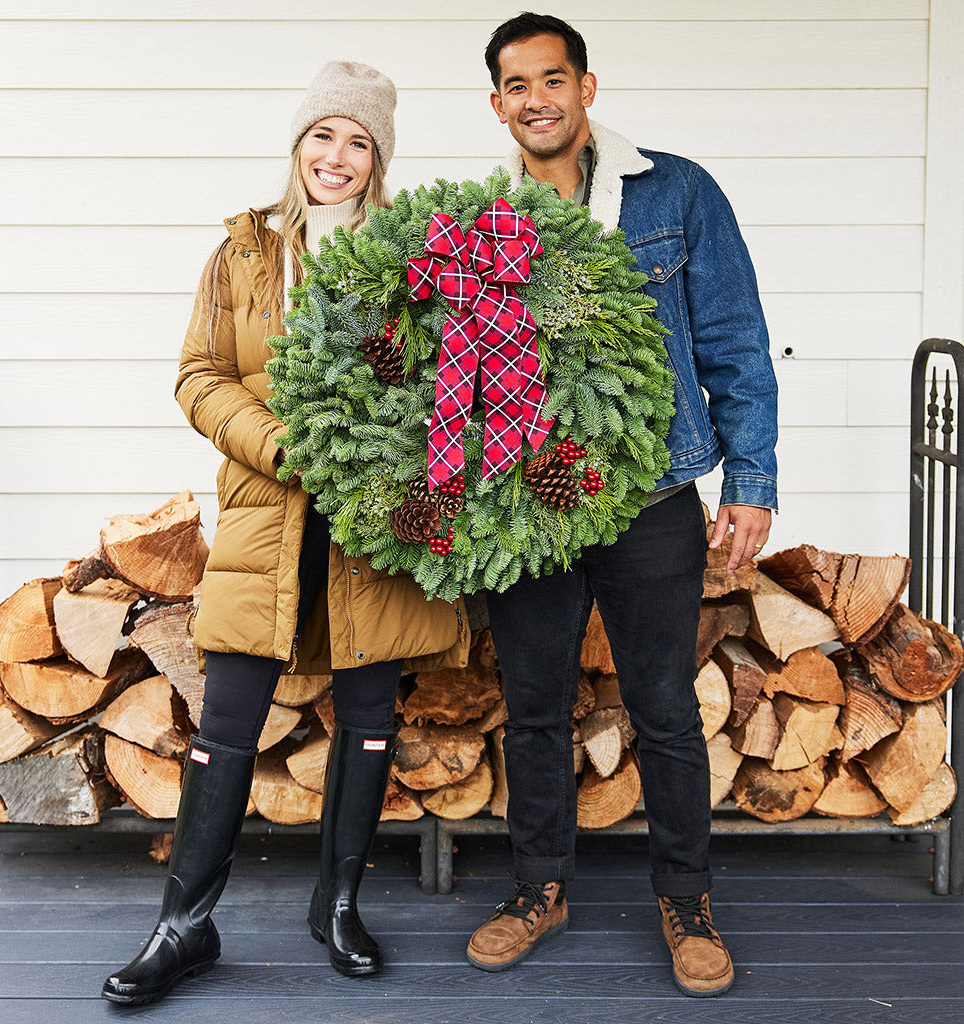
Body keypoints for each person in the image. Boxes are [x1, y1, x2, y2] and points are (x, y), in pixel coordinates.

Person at [101, 61, 469, 1006]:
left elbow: (447, 385)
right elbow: (197, 375)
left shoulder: (411, 260)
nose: (336, 158)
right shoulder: (244, 256)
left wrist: (392, 443)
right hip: (271, 515)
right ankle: (183, 925)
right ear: (297, 145)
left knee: (372, 712)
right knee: (228, 718)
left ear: (377, 159)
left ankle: (337, 903)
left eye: (358, 142)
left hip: (375, 528)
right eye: (323, 136)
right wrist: (279, 442)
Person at [465, 14, 778, 998]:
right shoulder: (474, 218)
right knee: (533, 710)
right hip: (527, 502)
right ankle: (537, 889)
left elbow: (733, 336)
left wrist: (750, 480)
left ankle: (685, 902)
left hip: (651, 493)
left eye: (552, 79)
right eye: (517, 85)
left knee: (665, 710)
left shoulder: (674, 192)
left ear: (586, 88)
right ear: (497, 105)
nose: (537, 99)